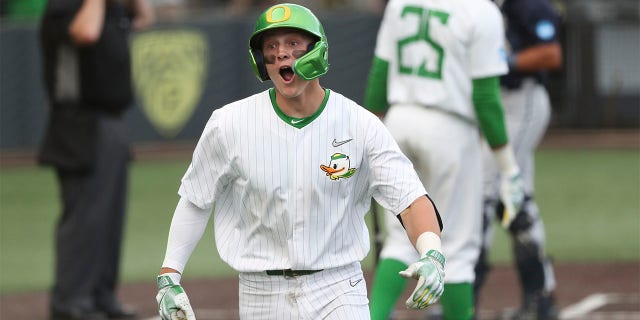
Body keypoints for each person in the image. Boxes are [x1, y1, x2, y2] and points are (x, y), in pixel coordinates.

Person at [154, 3, 446, 320]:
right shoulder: (229, 124)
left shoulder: (360, 124)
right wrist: (170, 276)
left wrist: (432, 252)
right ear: (261, 60)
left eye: (292, 43)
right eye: (271, 46)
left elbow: (410, 198)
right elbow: (196, 198)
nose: (281, 53)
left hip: (338, 288)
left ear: (317, 49)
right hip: (260, 294)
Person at [363, 0, 525, 319]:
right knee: (456, 248)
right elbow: (485, 97)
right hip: (450, 129)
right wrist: (509, 168)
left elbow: (379, 76)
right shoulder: (482, 12)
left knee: (398, 241)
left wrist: (368, 137)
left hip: (399, 121)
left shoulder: (401, 2)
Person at [37, 0, 154, 319]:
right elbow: (86, 33)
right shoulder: (64, 6)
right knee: (85, 218)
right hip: (78, 123)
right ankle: (71, 300)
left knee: (109, 219)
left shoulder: (109, 9)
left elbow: (144, 17)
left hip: (112, 121)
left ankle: (102, 296)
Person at [474, 0, 563, 319]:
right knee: (515, 195)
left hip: (522, 101)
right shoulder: (483, 7)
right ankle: (541, 294)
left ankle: (466, 293)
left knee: (485, 188)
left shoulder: (528, 4)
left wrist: (503, 61)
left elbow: (551, 53)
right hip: (497, 103)